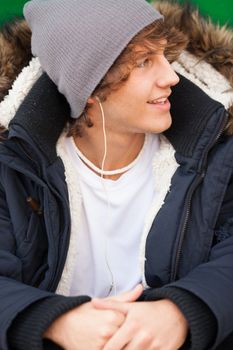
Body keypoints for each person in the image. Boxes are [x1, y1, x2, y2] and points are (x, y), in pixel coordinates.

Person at [0, 0, 233, 349]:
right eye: (143, 62)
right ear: (89, 88)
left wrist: (183, 309)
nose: (171, 76)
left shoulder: (215, 146)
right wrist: (54, 320)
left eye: (163, 55)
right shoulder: (15, 165)